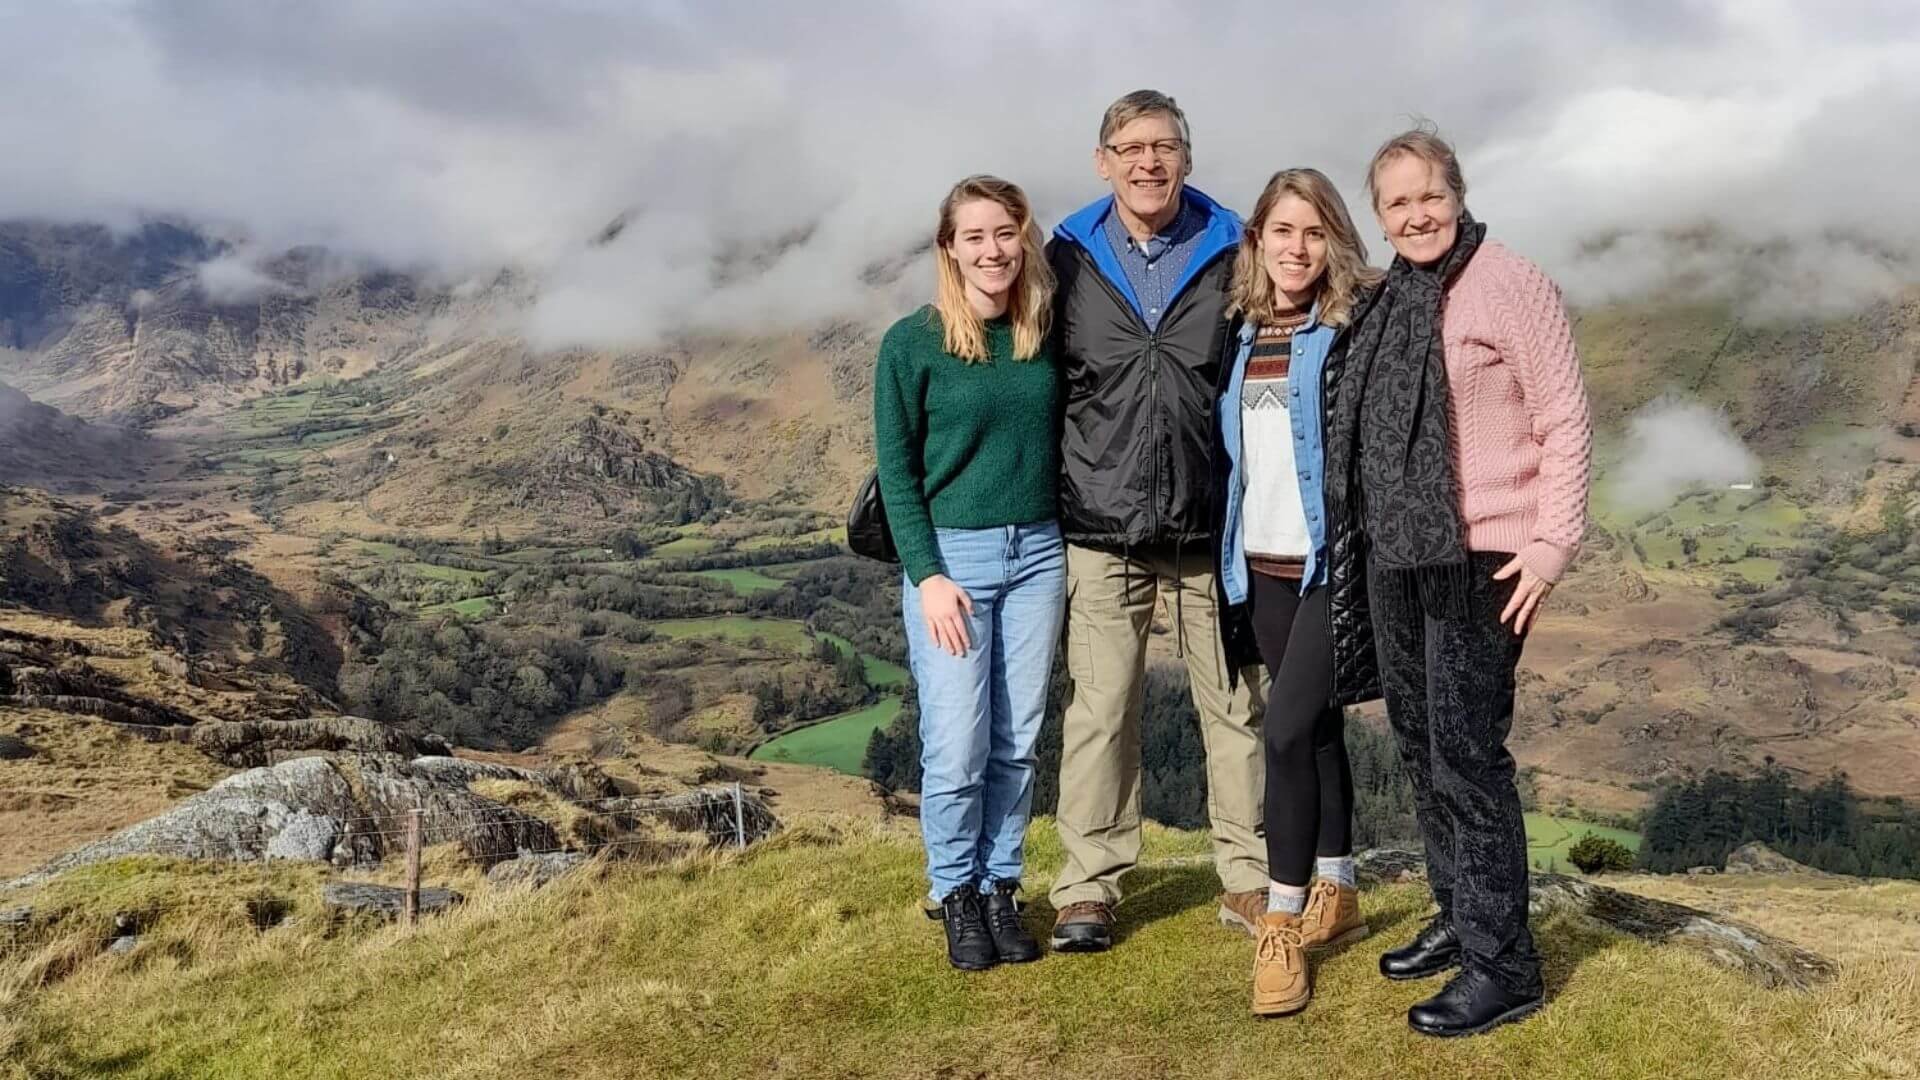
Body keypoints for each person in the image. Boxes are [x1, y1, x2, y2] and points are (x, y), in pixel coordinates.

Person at [1324, 123, 1593, 1036]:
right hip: (1399, 551)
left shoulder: (1510, 284)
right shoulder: (1394, 295)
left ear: (1460, 192)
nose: (1415, 215)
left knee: (1468, 755)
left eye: (1429, 195)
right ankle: (1458, 912)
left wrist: (1554, 542)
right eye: (1396, 203)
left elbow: (1563, 414)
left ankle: (1505, 966)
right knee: (1415, 738)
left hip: (1487, 553)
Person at [1046, 89, 1270, 954]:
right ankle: (1089, 889)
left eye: (1165, 146)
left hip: (1212, 527)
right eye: (1131, 147)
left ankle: (1249, 881)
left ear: (1187, 157)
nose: (1149, 162)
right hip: (1100, 527)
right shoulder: (1062, 258)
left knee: (1236, 706)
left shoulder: (1234, 250)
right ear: (1102, 160)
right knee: (1101, 710)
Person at [873, 175, 1065, 971]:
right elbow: (897, 472)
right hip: (953, 563)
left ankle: (999, 885)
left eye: (1005, 233)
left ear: (1025, 240)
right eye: (974, 236)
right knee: (956, 746)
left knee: (1015, 742)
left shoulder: (1042, 332)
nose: (993, 250)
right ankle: (953, 890)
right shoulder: (911, 344)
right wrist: (927, 574)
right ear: (948, 248)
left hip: (1039, 557)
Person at [1214, 168, 1383, 1016]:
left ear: (1336, 242)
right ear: (1258, 240)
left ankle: (1280, 924)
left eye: (1315, 233)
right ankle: (1340, 891)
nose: (1297, 249)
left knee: (1281, 735)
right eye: (1283, 231)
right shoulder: (1244, 334)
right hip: (1261, 562)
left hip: (1330, 566)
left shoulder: (1351, 327)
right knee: (1313, 729)